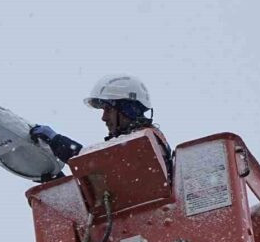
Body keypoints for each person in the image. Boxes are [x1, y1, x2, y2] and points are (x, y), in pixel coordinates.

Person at [29, 74, 172, 177]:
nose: (103, 118)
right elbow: (109, 189)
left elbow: (95, 166)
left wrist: (57, 141)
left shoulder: (143, 141)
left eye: (108, 109)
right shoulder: (139, 146)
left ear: (128, 109)